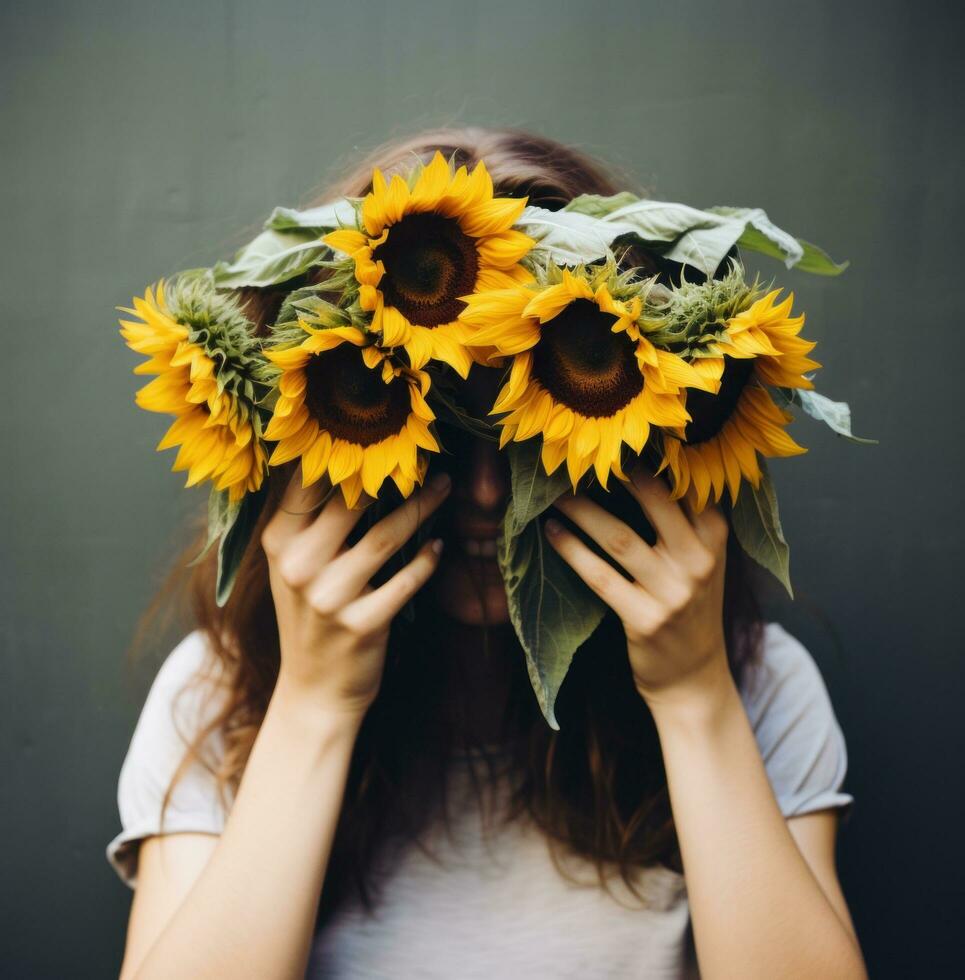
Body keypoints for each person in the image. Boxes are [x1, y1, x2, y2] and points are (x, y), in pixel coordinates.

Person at [107, 127, 867, 979]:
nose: (482, 495)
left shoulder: (754, 689)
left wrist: (693, 699)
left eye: (526, 436)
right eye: (433, 429)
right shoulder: (220, 703)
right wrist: (313, 707)